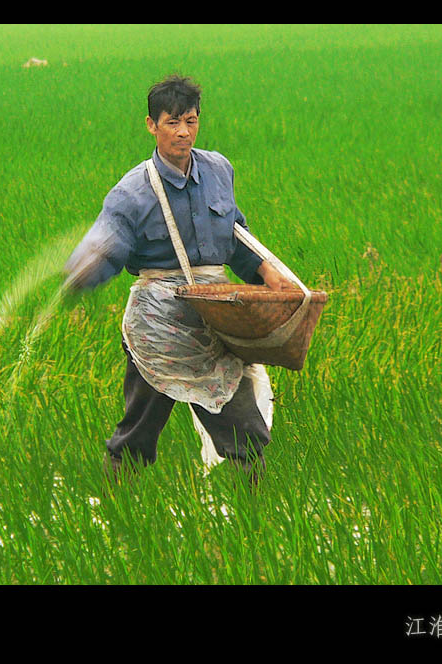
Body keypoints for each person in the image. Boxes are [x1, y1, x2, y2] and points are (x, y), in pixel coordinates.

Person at [63, 74, 293, 488]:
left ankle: (253, 514)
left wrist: (266, 271)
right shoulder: (132, 192)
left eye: (191, 120)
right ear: (152, 125)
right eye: (172, 122)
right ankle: (117, 501)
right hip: (159, 324)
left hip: (215, 315)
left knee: (244, 427)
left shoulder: (219, 170)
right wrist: (84, 270)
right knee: (139, 431)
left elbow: (236, 236)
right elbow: (107, 242)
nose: (183, 132)